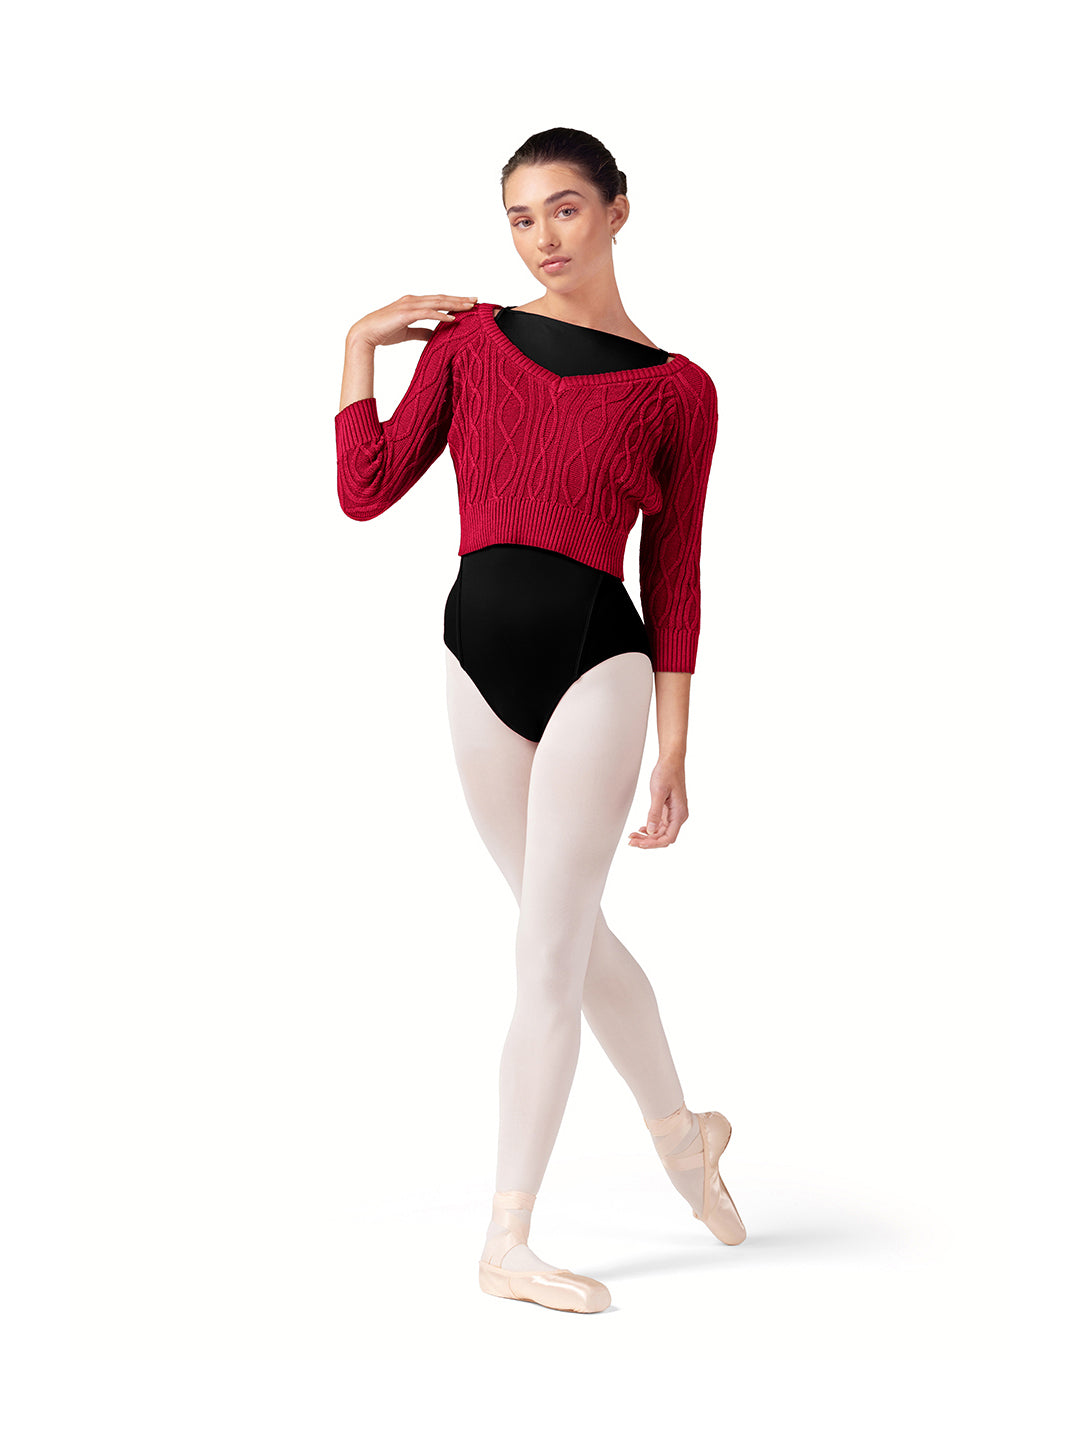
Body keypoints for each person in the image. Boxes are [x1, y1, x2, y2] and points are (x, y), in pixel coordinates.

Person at [334, 127, 744, 1314]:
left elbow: (675, 570)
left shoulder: (677, 389)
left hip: (598, 664)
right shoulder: (470, 345)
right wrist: (358, 345)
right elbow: (366, 489)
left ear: (619, 210)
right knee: (564, 932)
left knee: (546, 951)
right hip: (475, 658)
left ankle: (505, 1241)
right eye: (520, 218)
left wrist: (677, 743)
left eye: (565, 209)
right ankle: (684, 1137)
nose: (542, 238)